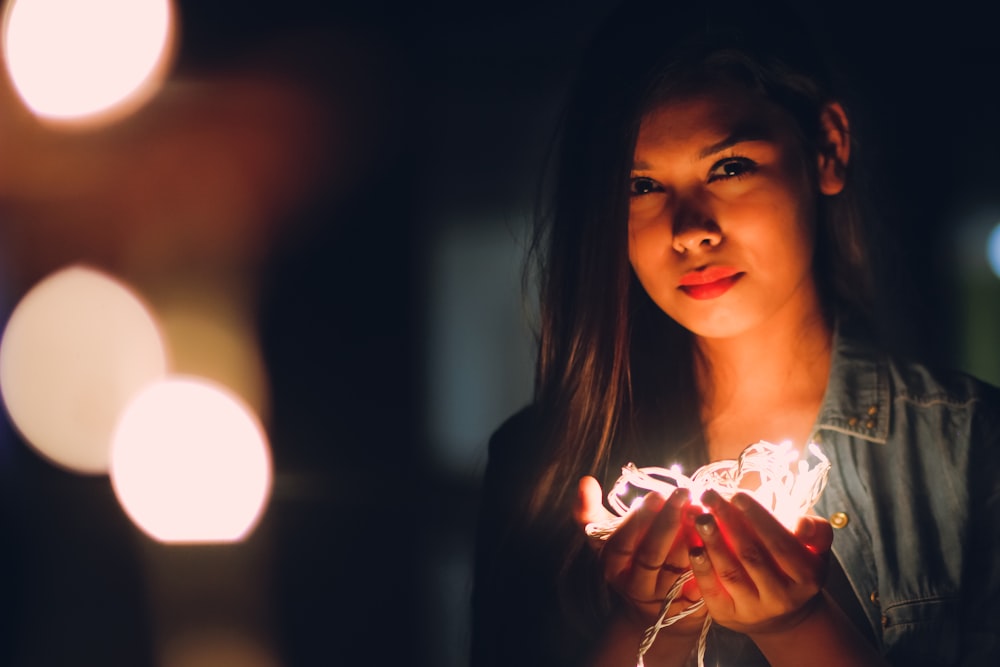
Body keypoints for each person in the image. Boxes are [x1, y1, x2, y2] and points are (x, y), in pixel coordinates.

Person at [469, 1, 1000, 666]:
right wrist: (647, 626)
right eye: (640, 184)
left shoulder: (971, 449)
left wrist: (798, 625)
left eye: (729, 167)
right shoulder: (540, 468)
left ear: (828, 149)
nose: (691, 229)